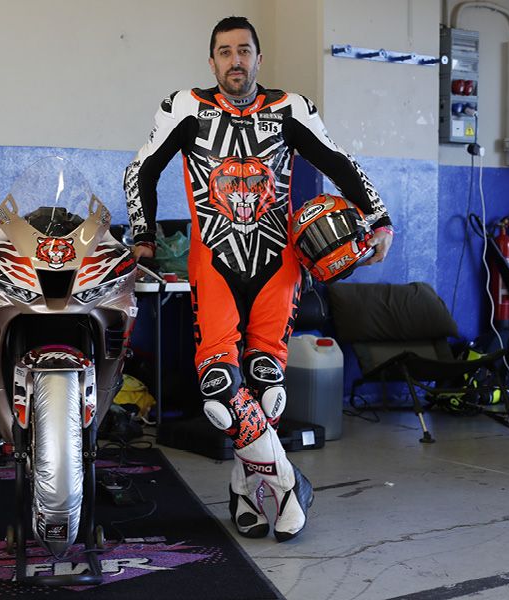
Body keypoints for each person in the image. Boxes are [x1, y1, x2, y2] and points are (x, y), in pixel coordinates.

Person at [124, 16, 393, 542]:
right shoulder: (185, 107)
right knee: (220, 393)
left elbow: (339, 160)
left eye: (244, 51)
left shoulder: (291, 108)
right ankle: (291, 485)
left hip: (279, 265)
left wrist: (379, 218)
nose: (234, 61)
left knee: (268, 396)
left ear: (258, 59)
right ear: (211, 61)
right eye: (224, 52)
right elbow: (141, 170)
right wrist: (143, 237)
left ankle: (245, 491)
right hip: (213, 266)